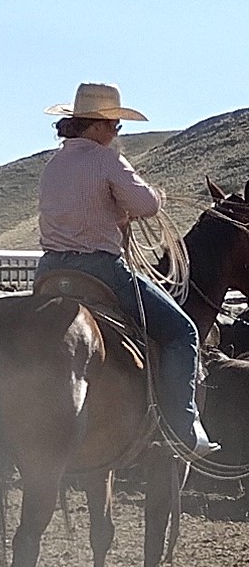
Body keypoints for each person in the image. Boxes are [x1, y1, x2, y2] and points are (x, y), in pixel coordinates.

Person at [36, 82, 218, 456]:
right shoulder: (106, 160)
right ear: (100, 125)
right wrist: (152, 198)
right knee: (181, 331)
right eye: (116, 125)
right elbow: (146, 204)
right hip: (99, 268)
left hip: (49, 270)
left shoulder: (53, 164)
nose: (118, 132)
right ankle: (183, 427)